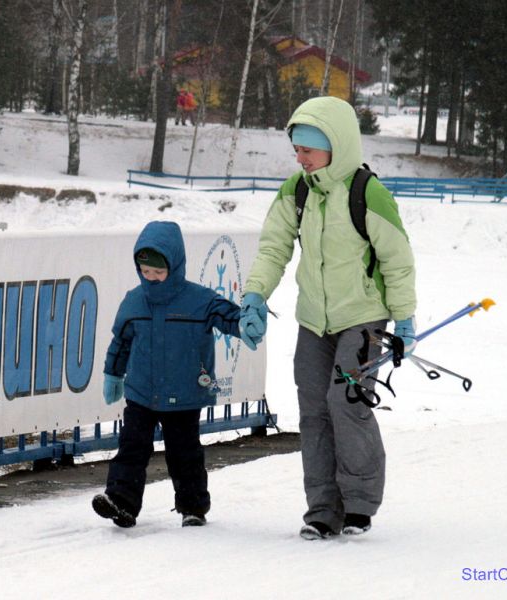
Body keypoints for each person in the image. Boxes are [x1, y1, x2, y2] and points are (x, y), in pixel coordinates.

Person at [239, 96, 417, 540]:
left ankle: (359, 504)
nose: (300, 158)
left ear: (335, 146)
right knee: (314, 410)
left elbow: (397, 259)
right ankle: (323, 510)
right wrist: (255, 295)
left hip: (363, 318)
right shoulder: (296, 191)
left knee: (346, 402)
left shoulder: (368, 193)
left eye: (308, 150)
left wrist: (404, 319)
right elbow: (273, 247)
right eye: (297, 150)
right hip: (313, 321)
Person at [92, 220, 261, 529]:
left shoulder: (199, 300)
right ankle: (121, 501)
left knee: (184, 453)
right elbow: (121, 342)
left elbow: (227, 316)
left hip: (184, 394)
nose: (151, 278)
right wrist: (113, 375)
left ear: (175, 265)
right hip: (141, 392)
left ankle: (192, 507)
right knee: (131, 447)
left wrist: (244, 323)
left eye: (158, 272)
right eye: (145, 272)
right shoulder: (133, 301)